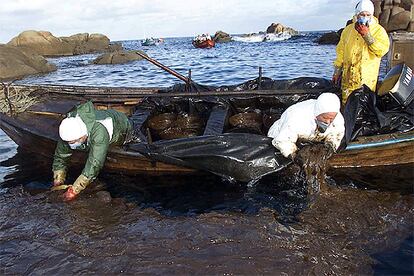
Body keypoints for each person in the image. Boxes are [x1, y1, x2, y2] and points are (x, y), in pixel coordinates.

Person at [52, 101, 132, 201]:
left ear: (83, 136)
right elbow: (61, 154)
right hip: (95, 131)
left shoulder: (99, 132)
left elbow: (95, 163)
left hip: (122, 126)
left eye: (73, 142)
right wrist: (58, 179)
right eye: (68, 142)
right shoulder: (69, 126)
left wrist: (74, 190)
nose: (70, 144)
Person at [332, 0, 390, 105]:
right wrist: (337, 71)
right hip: (348, 79)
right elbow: (340, 51)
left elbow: (381, 50)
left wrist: (367, 35)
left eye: (368, 15)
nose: (364, 17)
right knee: (347, 106)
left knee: (364, 108)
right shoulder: (348, 30)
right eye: (362, 14)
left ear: (372, 15)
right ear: (357, 14)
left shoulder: (379, 31)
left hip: (366, 81)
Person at [267, 93, 345, 159]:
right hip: (279, 138)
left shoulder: (337, 117)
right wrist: (294, 155)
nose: (328, 121)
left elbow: (337, 133)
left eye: (331, 118)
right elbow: (282, 141)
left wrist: (331, 145)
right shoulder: (297, 117)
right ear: (317, 113)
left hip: (311, 139)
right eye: (324, 118)